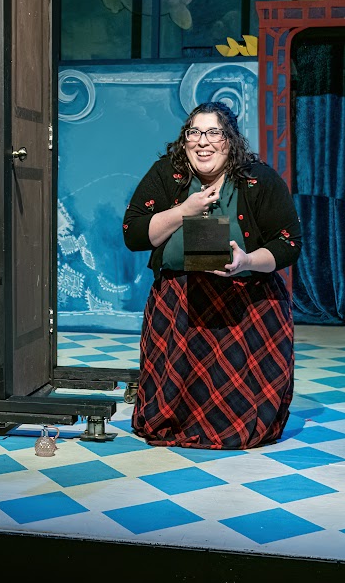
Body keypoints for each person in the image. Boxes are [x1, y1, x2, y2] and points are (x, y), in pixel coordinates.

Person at [122, 101, 302, 449]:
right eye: (194, 132)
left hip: (246, 300)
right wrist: (184, 210)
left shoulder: (257, 179)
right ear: (185, 139)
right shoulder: (167, 174)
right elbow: (134, 234)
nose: (203, 141)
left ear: (229, 140)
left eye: (213, 133)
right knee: (175, 390)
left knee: (236, 401)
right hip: (180, 299)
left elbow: (289, 244)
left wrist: (247, 261)